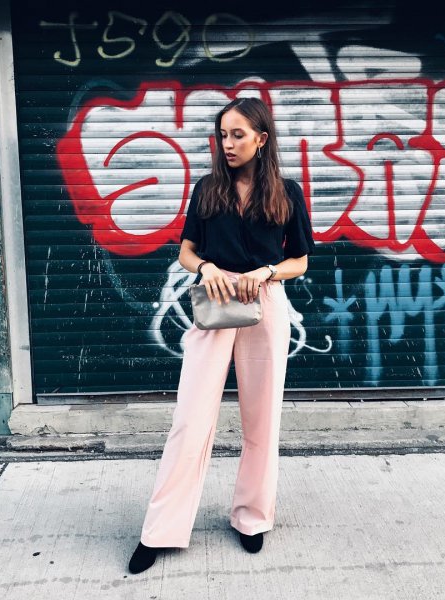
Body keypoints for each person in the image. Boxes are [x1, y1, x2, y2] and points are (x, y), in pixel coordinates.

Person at [128, 96, 315, 574]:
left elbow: (302, 261)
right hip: (213, 304)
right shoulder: (208, 188)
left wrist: (269, 271)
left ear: (261, 139)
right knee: (191, 419)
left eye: (238, 135)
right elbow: (186, 252)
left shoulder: (287, 192)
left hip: (264, 306)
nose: (228, 144)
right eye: (223, 135)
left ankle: (252, 519)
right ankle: (161, 530)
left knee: (261, 421)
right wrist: (207, 267)